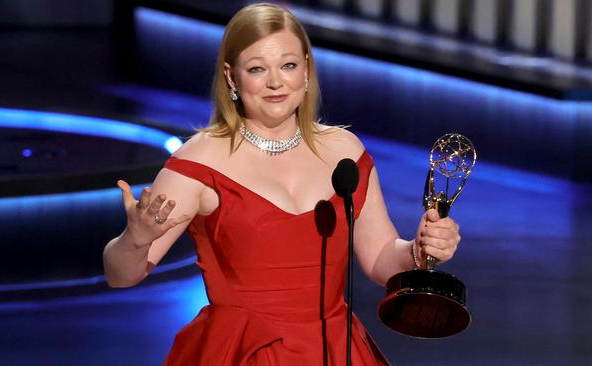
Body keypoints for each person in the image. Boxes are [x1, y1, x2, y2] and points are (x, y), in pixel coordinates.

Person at [103, 3, 461, 365]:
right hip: (243, 353)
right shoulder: (199, 161)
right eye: (257, 69)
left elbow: (381, 258)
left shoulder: (344, 152)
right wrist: (137, 238)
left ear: (306, 70)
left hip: (332, 350)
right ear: (232, 78)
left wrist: (420, 250)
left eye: (288, 65)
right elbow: (121, 275)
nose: (276, 82)